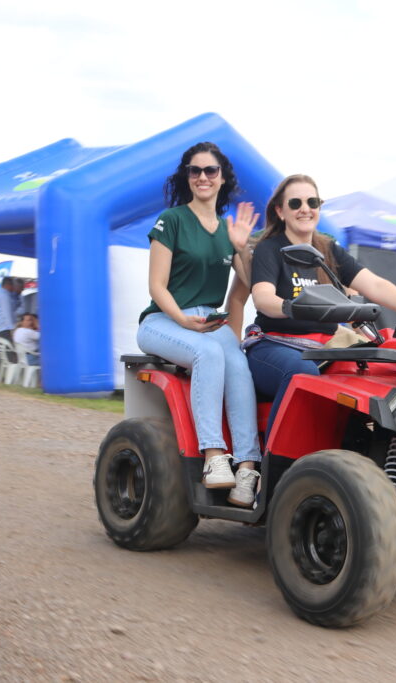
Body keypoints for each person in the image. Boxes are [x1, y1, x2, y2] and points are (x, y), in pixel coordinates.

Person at [135, 141, 263, 507]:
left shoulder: (228, 230)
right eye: (195, 170)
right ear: (187, 177)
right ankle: (213, 456)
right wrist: (182, 320)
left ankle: (247, 467)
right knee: (208, 352)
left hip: (208, 321)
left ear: (222, 178)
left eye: (210, 170)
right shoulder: (172, 220)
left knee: (238, 361)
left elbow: (252, 285)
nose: (202, 176)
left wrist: (241, 247)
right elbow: (156, 286)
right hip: (164, 319)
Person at [245, 174, 396, 435]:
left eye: (312, 202)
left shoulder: (328, 250)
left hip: (324, 348)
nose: (305, 209)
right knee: (301, 371)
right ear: (280, 211)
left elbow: (375, 285)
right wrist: (295, 307)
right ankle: (276, 458)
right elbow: (263, 297)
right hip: (275, 345)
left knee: (395, 363)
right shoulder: (269, 249)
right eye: (295, 203)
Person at [0, 276, 22, 380]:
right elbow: (7, 313)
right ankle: (9, 377)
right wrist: (12, 329)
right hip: (3, 328)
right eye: (13, 286)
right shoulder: (5, 296)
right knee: (9, 353)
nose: (14, 288)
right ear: (8, 285)